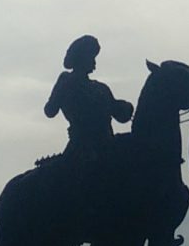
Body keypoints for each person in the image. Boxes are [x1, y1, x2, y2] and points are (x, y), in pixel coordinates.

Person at [43, 34, 132, 186]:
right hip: (82, 147)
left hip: (107, 143)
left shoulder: (101, 88)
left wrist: (127, 107)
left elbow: (120, 114)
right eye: (90, 57)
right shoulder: (66, 81)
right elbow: (50, 111)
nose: (94, 61)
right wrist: (61, 88)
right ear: (80, 59)